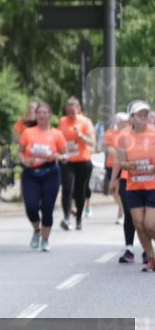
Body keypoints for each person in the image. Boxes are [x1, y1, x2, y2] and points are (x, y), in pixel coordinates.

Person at [111, 100, 155, 271]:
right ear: (132, 118)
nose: (144, 118)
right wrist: (122, 171)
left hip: (152, 186)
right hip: (133, 187)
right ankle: (151, 257)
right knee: (138, 223)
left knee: (150, 225)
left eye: (146, 114)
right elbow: (120, 160)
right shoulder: (124, 136)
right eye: (140, 115)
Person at [18, 102, 67, 252]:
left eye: (45, 113)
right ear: (36, 115)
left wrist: (58, 156)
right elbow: (20, 152)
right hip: (31, 173)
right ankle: (37, 230)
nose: (41, 115)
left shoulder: (56, 134)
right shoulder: (28, 132)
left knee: (47, 208)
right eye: (39, 113)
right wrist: (25, 161)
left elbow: (65, 155)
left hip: (50, 172)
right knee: (31, 207)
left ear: (49, 115)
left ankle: (45, 240)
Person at [57, 97, 96, 231]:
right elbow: (58, 139)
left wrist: (81, 136)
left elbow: (92, 143)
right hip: (67, 160)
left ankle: (79, 218)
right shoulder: (62, 121)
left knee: (80, 190)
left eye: (73, 111)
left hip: (83, 161)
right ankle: (67, 217)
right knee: (67, 188)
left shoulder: (85, 122)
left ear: (78, 110)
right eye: (68, 111)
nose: (70, 114)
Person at [104, 112, 130, 225]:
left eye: (125, 121)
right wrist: (120, 155)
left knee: (120, 190)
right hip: (111, 164)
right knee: (114, 191)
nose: (123, 123)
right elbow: (109, 149)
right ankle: (122, 208)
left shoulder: (129, 134)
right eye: (121, 121)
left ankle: (121, 211)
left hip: (123, 166)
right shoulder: (110, 133)